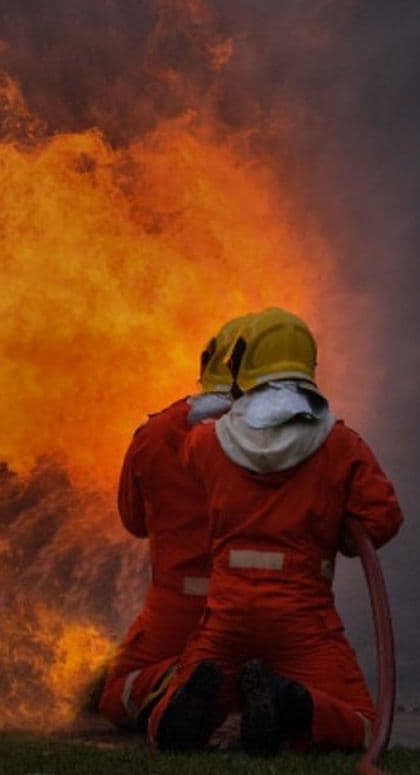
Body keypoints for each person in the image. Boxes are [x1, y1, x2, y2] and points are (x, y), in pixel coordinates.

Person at [147, 307, 403, 754]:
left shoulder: (206, 444)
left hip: (228, 615)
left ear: (244, 365)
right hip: (302, 620)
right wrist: (341, 530)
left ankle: (185, 711)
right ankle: (291, 703)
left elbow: (187, 458)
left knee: (170, 710)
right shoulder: (340, 444)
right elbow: (383, 518)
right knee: (361, 722)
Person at [96, 314, 253, 730]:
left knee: (119, 693)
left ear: (207, 366)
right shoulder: (289, 436)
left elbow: (134, 521)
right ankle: (259, 692)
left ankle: (171, 679)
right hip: (260, 607)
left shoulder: (155, 433)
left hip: (178, 607)